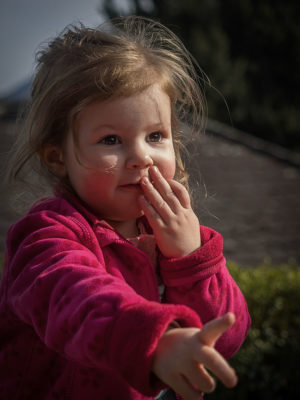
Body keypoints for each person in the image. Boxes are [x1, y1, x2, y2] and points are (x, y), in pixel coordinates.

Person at [0, 16, 250, 400]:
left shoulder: (173, 235)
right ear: (57, 157)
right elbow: (78, 300)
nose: (141, 158)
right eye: (111, 139)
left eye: (155, 136)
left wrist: (191, 259)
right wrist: (154, 340)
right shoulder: (47, 236)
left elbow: (224, 337)